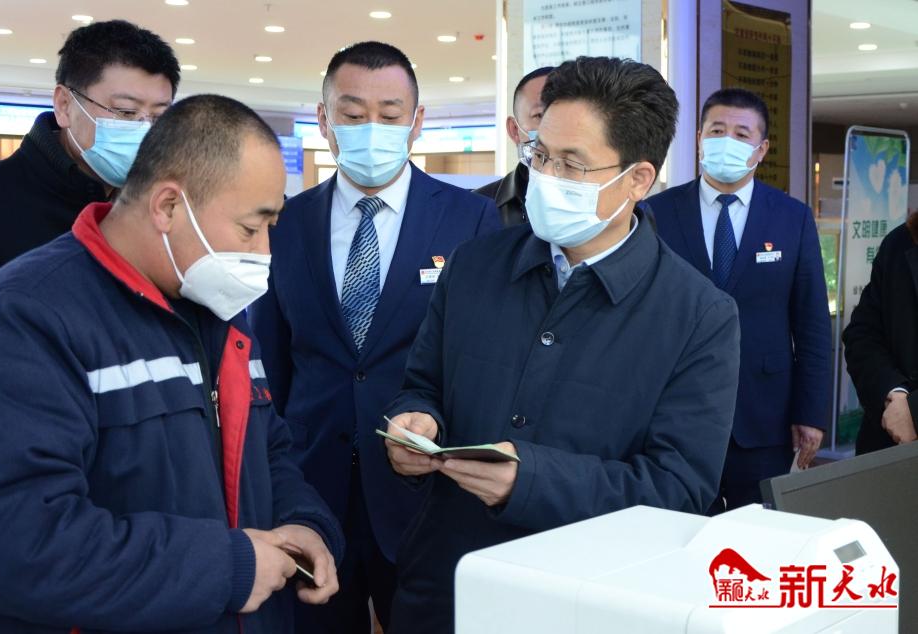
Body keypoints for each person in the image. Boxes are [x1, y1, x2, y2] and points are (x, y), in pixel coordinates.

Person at [383, 56, 740, 634]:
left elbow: (678, 489)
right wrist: (416, 421)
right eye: (540, 155)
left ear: (638, 179)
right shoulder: (474, 265)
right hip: (447, 585)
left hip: (586, 602)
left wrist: (531, 482)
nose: (546, 176)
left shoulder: (699, 316)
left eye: (572, 164)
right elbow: (422, 384)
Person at [0, 95, 342, 633]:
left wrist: (303, 521)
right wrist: (227, 568)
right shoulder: (25, 317)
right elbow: (17, 542)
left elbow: (268, 450)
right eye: (249, 229)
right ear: (167, 206)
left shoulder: (216, 307)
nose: (263, 253)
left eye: (270, 228)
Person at [248, 41, 500, 634]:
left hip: (423, 488)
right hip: (312, 487)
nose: (371, 129)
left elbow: (479, 359)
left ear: (417, 121)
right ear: (324, 119)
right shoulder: (286, 221)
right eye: (354, 114)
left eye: (389, 115)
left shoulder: (470, 219)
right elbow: (273, 360)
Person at [647, 88, 831, 511]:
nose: (726, 141)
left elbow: (812, 325)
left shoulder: (792, 217)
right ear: (698, 139)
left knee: (758, 532)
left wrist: (811, 413)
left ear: (761, 149)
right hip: (673, 412)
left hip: (763, 416)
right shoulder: (656, 213)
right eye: (716, 130)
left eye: (742, 134)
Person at [0, 19, 179, 296]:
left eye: (159, 116)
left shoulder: (162, 209)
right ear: (64, 105)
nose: (144, 130)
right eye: (126, 112)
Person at [844, 213, 918, 453]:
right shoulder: (899, 242)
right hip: (887, 444)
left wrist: (913, 413)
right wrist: (894, 393)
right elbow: (862, 335)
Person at [474, 66, 553, 226]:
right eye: (540, 115)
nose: (558, 127)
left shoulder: (601, 198)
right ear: (514, 130)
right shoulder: (477, 208)